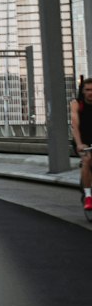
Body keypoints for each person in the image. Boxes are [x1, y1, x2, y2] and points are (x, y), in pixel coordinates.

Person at [70, 77, 92, 212]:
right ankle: (89, 196)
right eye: (87, 90)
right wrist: (79, 143)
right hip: (83, 140)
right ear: (83, 91)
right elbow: (75, 125)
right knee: (87, 159)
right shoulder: (76, 104)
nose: (90, 93)